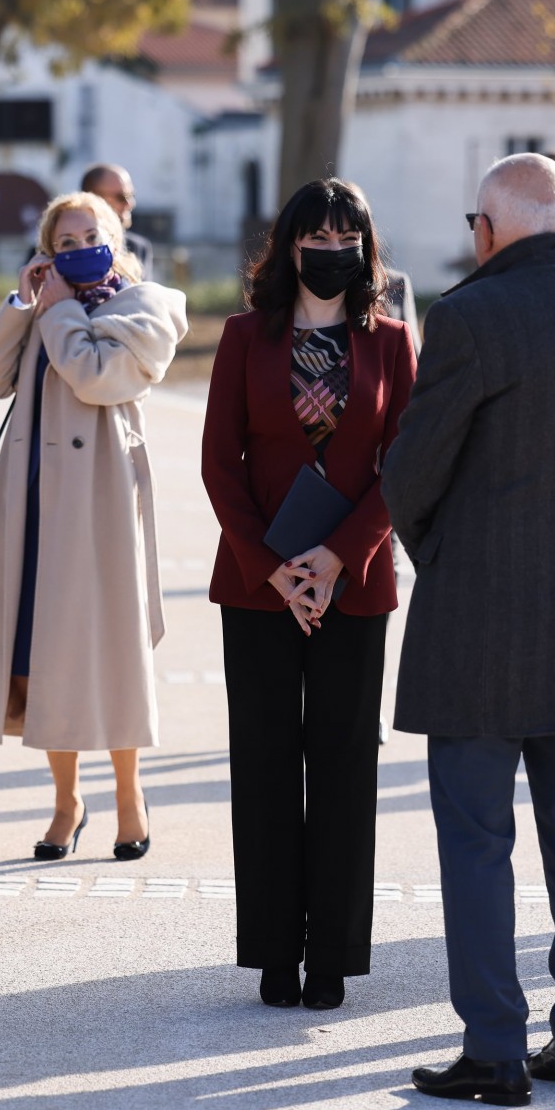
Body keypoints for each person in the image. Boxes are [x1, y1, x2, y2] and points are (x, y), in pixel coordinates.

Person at [386, 154, 555, 1106]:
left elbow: (409, 477)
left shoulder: (468, 316)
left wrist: (448, 554)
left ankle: (496, 1048)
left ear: (488, 231)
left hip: (479, 622)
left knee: (476, 843)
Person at [201, 178, 416, 1013]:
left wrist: (335, 557)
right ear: (289, 245)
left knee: (342, 765)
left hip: (353, 584)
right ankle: (272, 953)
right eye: (316, 234)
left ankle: (331, 953)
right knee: (262, 764)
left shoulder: (393, 341)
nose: (332, 249)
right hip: (258, 586)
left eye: (347, 235)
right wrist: (275, 565)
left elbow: (403, 464)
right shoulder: (243, 336)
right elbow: (222, 462)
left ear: (365, 248)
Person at [0, 192, 187, 863]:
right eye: (65, 237)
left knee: (112, 654)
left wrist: (55, 310)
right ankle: (65, 802)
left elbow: (93, 376)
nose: (80, 244)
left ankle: (128, 793)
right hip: (35, 503)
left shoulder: (148, 307)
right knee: (43, 657)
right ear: (46, 250)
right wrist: (23, 304)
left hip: (104, 504)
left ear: (115, 236)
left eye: (92, 232)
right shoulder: (44, 303)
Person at [81, 162, 155, 281]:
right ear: (93, 199)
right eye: (121, 197)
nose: (130, 204)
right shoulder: (65, 248)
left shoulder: (138, 248)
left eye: (131, 196)